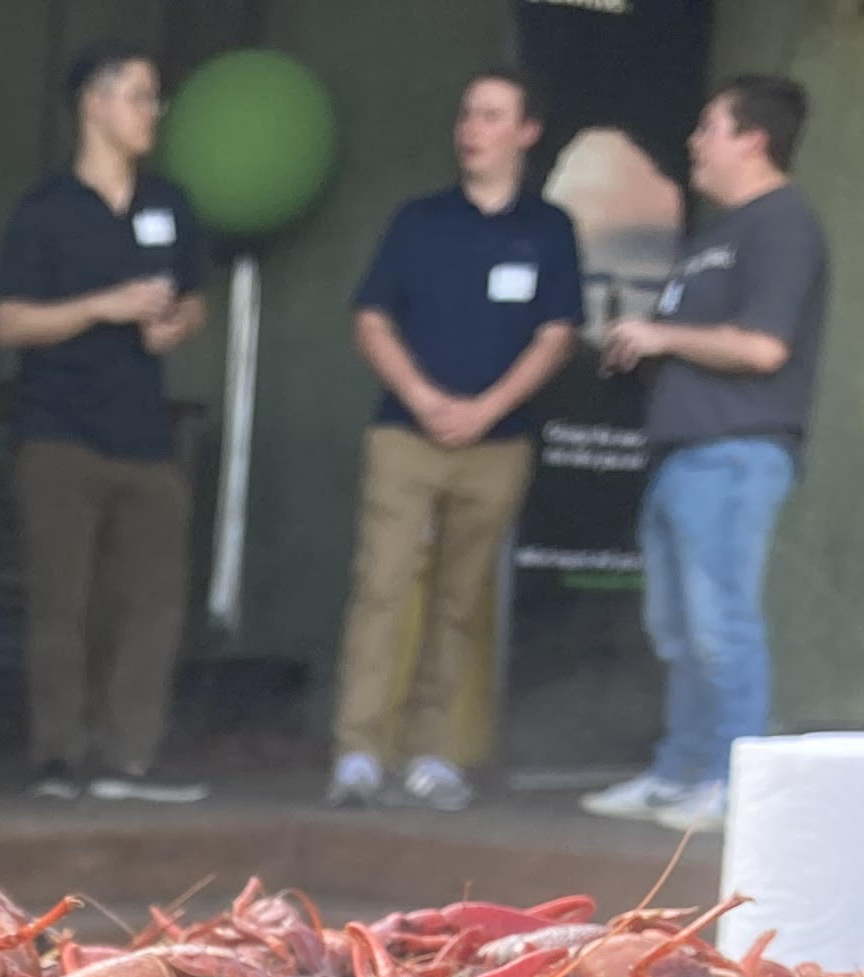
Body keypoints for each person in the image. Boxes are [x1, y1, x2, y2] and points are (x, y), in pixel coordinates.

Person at [331, 69, 582, 814]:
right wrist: (424, 398)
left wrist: (487, 408)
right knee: (381, 587)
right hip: (405, 433)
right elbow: (371, 317)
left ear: (527, 132)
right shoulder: (418, 220)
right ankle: (358, 753)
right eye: (466, 113)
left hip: (497, 440)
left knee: (459, 597)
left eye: (491, 115)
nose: (471, 128)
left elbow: (557, 334)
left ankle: (429, 752)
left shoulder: (549, 228)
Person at [585, 72, 825, 834]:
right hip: (683, 455)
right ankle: (678, 772)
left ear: (753, 139)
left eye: (708, 127)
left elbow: (762, 347)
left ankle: (734, 786)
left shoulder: (782, 224)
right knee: (678, 628)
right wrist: (645, 347)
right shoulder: (717, 231)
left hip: (735, 454)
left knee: (723, 627)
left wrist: (662, 336)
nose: (693, 141)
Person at [0, 41, 206, 807]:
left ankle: (130, 759)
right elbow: (8, 322)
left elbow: (194, 298)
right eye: (140, 95)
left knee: (152, 600)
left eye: (155, 98)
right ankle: (57, 756)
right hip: (57, 431)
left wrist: (173, 324)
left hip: (144, 430)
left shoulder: (168, 204)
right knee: (62, 601)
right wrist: (102, 307)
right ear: (94, 102)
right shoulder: (44, 210)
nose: (153, 112)